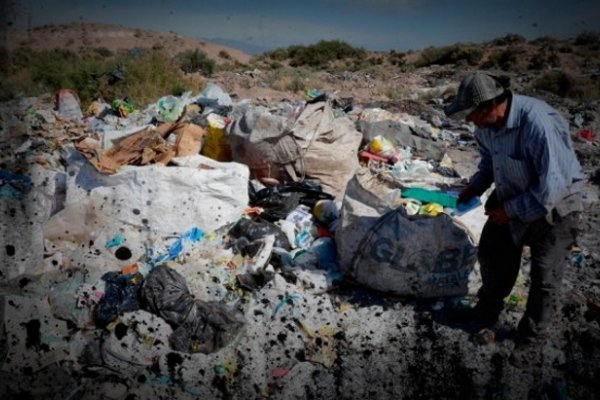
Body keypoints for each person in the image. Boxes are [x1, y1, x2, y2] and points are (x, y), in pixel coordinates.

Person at [444, 72, 584, 365]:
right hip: (513, 196)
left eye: (472, 115)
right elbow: (489, 163)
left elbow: (552, 186)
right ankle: (486, 310)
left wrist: (508, 211)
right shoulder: (486, 126)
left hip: (556, 207)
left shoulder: (536, 123)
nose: (471, 123)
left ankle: (532, 339)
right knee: (493, 255)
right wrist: (475, 187)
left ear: (492, 105)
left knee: (545, 277)